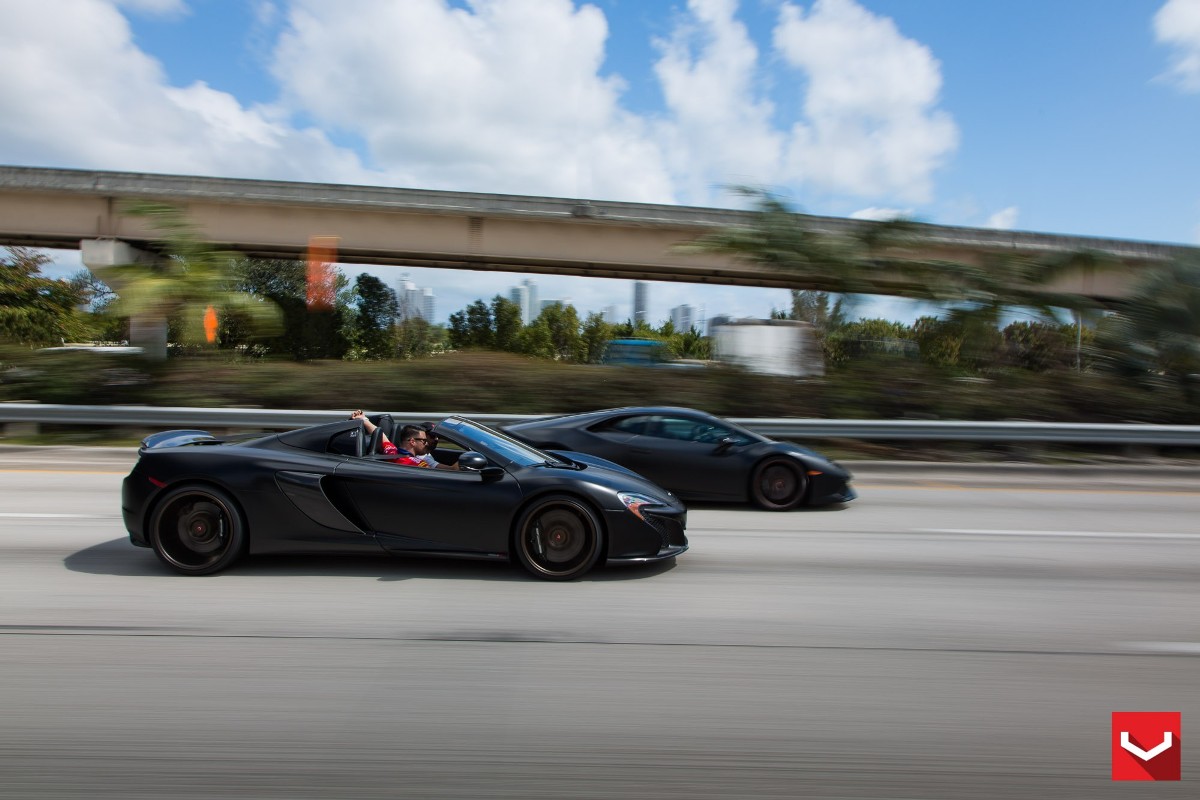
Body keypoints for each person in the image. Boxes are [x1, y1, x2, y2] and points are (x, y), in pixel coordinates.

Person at [349, 411, 431, 467]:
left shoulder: (391, 451)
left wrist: (364, 419)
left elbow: (382, 437)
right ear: (412, 441)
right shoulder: (420, 464)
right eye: (424, 441)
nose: (427, 443)